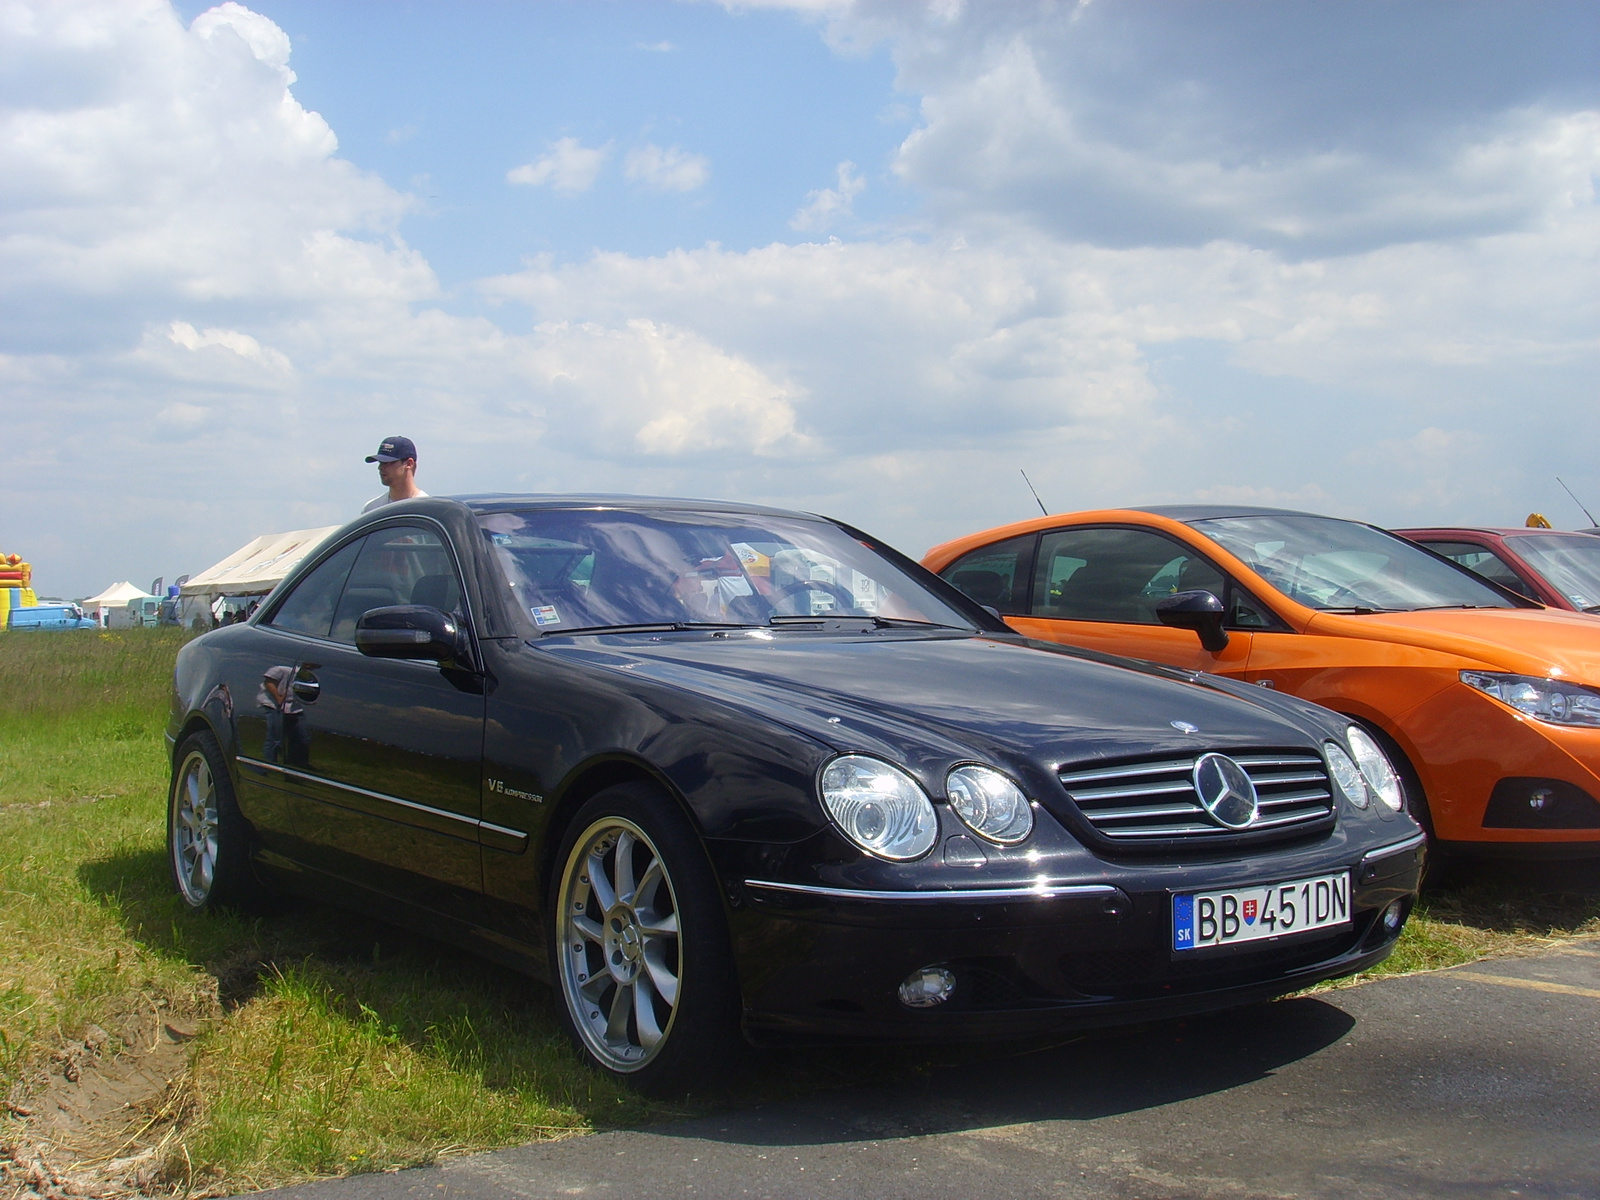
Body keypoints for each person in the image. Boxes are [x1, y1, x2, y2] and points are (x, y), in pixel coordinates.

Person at [362, 436, 428, 512]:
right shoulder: (372, 509)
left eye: (387, 463)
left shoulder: (425, 509)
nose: (380, 467)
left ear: (409, 464)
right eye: (380, 463)